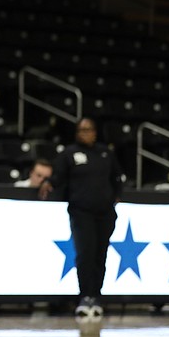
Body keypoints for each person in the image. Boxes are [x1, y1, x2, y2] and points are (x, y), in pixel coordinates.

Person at [45, 117, 124, 319]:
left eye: (89, 129)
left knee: (101, 255)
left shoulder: (105, 153)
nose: (85, 133)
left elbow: (117, 177)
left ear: (95, 132)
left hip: (105, 213)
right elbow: (58, 177)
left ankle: (97, 297)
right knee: (84, 254)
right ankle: (84, 297)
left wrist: (116, 195)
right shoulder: (69, 153)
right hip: (81, 212)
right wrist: (48, 183)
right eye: (81, 130)